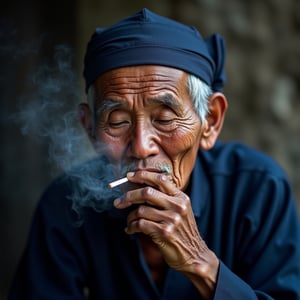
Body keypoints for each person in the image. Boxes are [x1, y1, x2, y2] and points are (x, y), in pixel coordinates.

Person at [9, 8, 300, 300]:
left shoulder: (258, 189)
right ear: (90, 127)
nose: (141, 146)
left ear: (210, 121)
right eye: (118, 121)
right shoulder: (67, 205)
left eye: (164, 119)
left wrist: (199, 263)